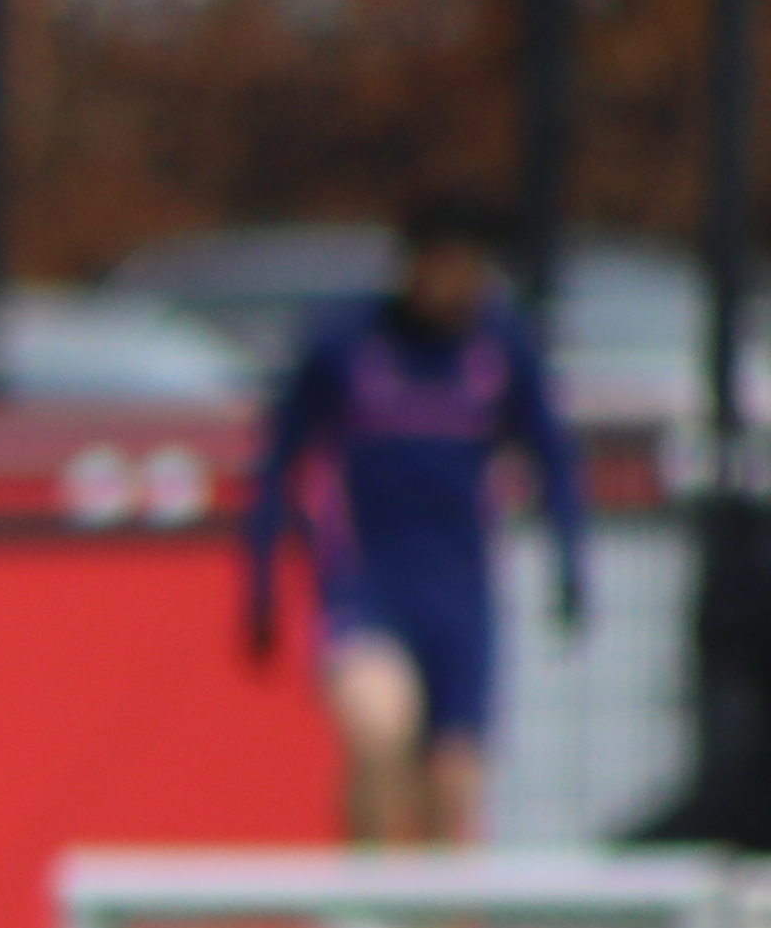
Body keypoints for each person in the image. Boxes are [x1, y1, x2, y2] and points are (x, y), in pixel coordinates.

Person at [244, 182, 593, 850]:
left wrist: (571, 565)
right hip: (366, 584)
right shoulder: (347, 345)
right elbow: (278, 463)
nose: (456, 285)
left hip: (460, 596)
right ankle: (367, 900)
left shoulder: (501, 349)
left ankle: (433, 913)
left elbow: (552, 460)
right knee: (382, 731)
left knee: (452, 782)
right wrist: (259, 585)